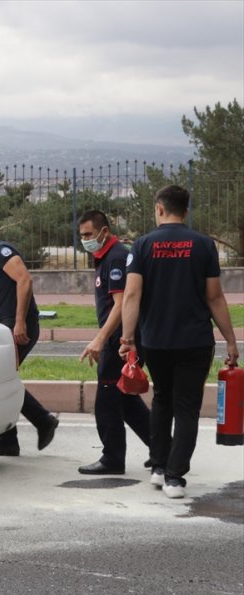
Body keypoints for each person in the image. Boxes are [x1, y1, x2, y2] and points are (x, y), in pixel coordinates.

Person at [119, 184, 239, 499]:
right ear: (185, 211)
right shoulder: (203, 245)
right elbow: (214, 297)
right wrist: (231, 340)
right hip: (195, 342)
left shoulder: (142, 245)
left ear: (159, 208)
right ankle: (174, 477)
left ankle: (158, 467)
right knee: (186, 408)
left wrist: (127, 338)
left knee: (162, 400)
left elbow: (131, 294)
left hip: (155, 341)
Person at [0, 217, 58, 455]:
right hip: (7, 328)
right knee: (0, 379)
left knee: (0, 379)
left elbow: (25, 280)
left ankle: (41, 421)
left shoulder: (2, 252)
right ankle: (11, 440)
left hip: (19, 326)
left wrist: (19, 322)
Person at [75, 210, 151, 474]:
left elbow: (120, 306)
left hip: (119, 342)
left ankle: (112, 459)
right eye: (81, 235)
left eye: (88, 234)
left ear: (103, 232)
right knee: (127, 400)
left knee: (106, 402)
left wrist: (99, 339)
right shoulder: (106, 256)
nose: (84, 240)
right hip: (120, 339)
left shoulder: (116, 256)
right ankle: (163, 449)